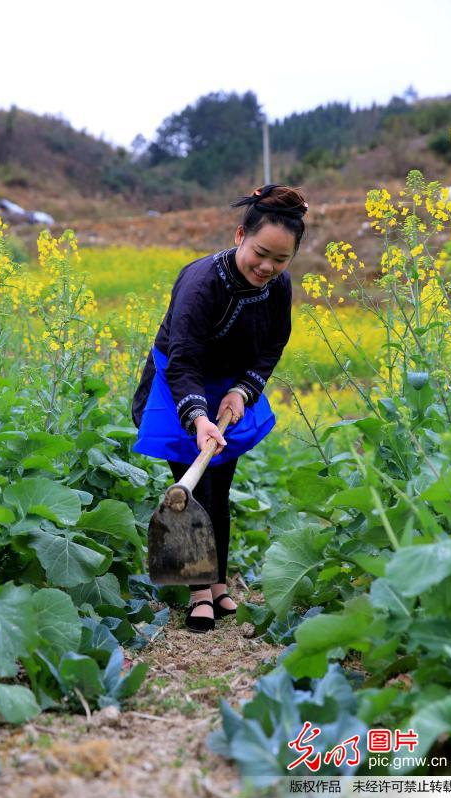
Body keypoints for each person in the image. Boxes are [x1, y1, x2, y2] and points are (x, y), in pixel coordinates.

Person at [131, 185, 308, 632]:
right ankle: (198, 591)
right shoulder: (201, 282)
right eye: (261, 253)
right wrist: (198, 417)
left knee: (221, 485)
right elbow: (183, 358)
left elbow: (271, 347)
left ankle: (218, 583)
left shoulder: (278, 286)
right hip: (177, 383)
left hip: (228, 387)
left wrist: (242, 391)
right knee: (192, 489)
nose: (267, 267)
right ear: (239, 236)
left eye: (280, 260)